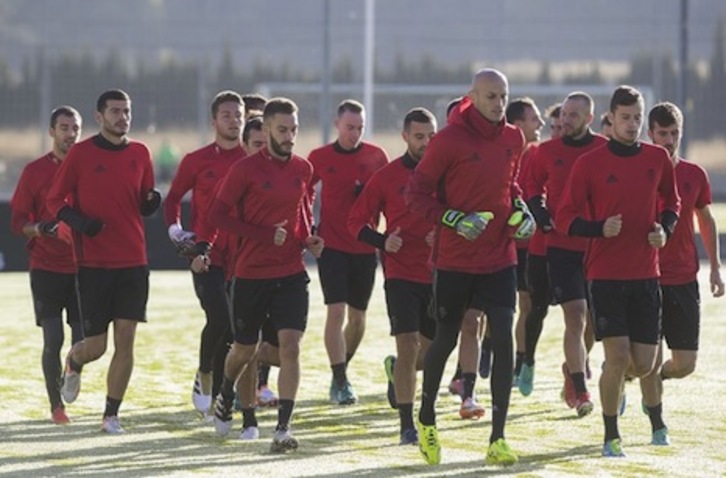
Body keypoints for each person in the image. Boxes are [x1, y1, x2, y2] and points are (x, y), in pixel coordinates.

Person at [407, 68, 535, 466]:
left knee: (500, 338)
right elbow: (417, 194)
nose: (499, 104)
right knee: (444, 340)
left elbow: (509, 187)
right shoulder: (447, 140)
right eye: (491, 97)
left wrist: (522, 211)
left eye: (503, 96)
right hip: (454, 260)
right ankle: (426, 417)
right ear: (473, 97)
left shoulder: (515, 138)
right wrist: (455, 220)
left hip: (499, 257)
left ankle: (497, 438)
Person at [556, 85, 680, 457]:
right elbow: (564, 217)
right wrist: (598, 228)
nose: (632, 125)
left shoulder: (657, 158)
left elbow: (671, 202)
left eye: (638, 118)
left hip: (646, 274)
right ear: (610, 119)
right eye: (625, 118)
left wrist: (665, 230)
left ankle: (618, 384)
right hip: (605, 275)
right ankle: (611, 435)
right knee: (616, 357)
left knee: (644, 364)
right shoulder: (589, 164)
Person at [208, 97, 324, 453]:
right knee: (244, 349)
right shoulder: (244, 171)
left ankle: (283, 428)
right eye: (282, 130)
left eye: (293, 130)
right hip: (250, 274)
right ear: (267, 129)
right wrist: (261, 233)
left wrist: (308, 238)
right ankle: (226, 392)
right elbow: (217, 216)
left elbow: (301, 214)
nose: (289, 136)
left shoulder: (303, 169)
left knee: (290, 347)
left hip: (290, 271)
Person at [47, 89, 160, 434]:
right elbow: (55, 200)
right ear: (99, 117)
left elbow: (143, 198)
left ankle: (111, 415)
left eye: (126, 111)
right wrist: (81, 224)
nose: (122, 117)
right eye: (115, 111)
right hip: (94, 263)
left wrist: (150, 203)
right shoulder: (80, 154)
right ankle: (74, 360)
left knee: (126, 341)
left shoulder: (141, 152)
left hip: (133, 261)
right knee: (96, 346)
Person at [347, 107, 437, 446]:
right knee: (409, 344)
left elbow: (463, 215)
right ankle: (407, 425)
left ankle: (396, 371)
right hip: (400, 274)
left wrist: (444, 235)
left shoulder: (447, 175)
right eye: (419, 137)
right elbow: (356, 223)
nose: (426, 143)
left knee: (431, 352)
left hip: (441, 273)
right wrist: (385, 241)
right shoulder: (386, 177)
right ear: (405, 137)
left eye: (431, 136)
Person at [638, 102, 724, 445]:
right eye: (663, 134)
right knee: (650, 355)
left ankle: (645, 378)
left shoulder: (694, 174)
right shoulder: (638, 173)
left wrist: (715, 267)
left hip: (685, 277)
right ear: (651, 134)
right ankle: (658, 424)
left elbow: (705, 219)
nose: (669, 140)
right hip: (646, 276)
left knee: (684, 364)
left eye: (674, 134)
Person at [164, 90, 246, 418]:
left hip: (243, 257)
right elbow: (172, 200)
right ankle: (205, 375)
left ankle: (227, 391)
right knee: (219, 317)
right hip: (205, 256)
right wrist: (176, 231)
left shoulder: (252, 159)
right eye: (227, 115)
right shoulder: (196, 160)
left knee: (235, 329)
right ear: (214, 121)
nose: (234, 120)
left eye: (238, 115)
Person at [524, 92, 608, 414]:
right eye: (565, 114)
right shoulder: (546, 152)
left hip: (599, 248)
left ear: (589, 118)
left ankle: (572, 372)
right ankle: (582, 391)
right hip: (560, 248)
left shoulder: (604, 149)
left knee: (593, 327)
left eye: (575, 115)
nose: (567, 120)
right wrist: (542, 215)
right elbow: (532, 187)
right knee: (575, 317)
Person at [308, 99, 389, 405]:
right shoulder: (319, 156)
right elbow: (301, 192)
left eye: (360, 128)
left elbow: (390, 194)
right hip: (332, 246)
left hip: (365, 247)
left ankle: (340, 370)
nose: (354, 133)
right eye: (349, 127)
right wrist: (309, 229)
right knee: (336, 310)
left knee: (357, 318)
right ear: (336, 124)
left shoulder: (376, 156)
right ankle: (341, 379)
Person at [10, 106, 84, 425]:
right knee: (52, 338)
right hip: (45, 267)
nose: (70, 134)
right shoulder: (34, 171)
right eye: (64, 128)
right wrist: (42, 228)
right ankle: (57, 406)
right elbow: (17, 222)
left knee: (83, 341)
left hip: (83, 266)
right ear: (52, 132)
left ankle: (73, 367)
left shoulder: (88, 169)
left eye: (75, 128)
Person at [518, 103, 562, 398]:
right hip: (535, 246)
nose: (557, 131)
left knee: (579, 313)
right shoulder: (538, 155)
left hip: (577, 248)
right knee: (533, 308)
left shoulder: (590, 155)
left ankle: (578, 372)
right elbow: (527, 192)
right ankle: (525, 359)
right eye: (554, 126)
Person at [505, 97, 544, 387]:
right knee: (487, 313)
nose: (540, 124)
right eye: (534, 119)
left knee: (527, 305)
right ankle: (467, 368)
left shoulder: (537, 154)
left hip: (530, 249)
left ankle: (521, 361)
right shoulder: (504, 153)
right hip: (502, 247)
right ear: (518, 125)